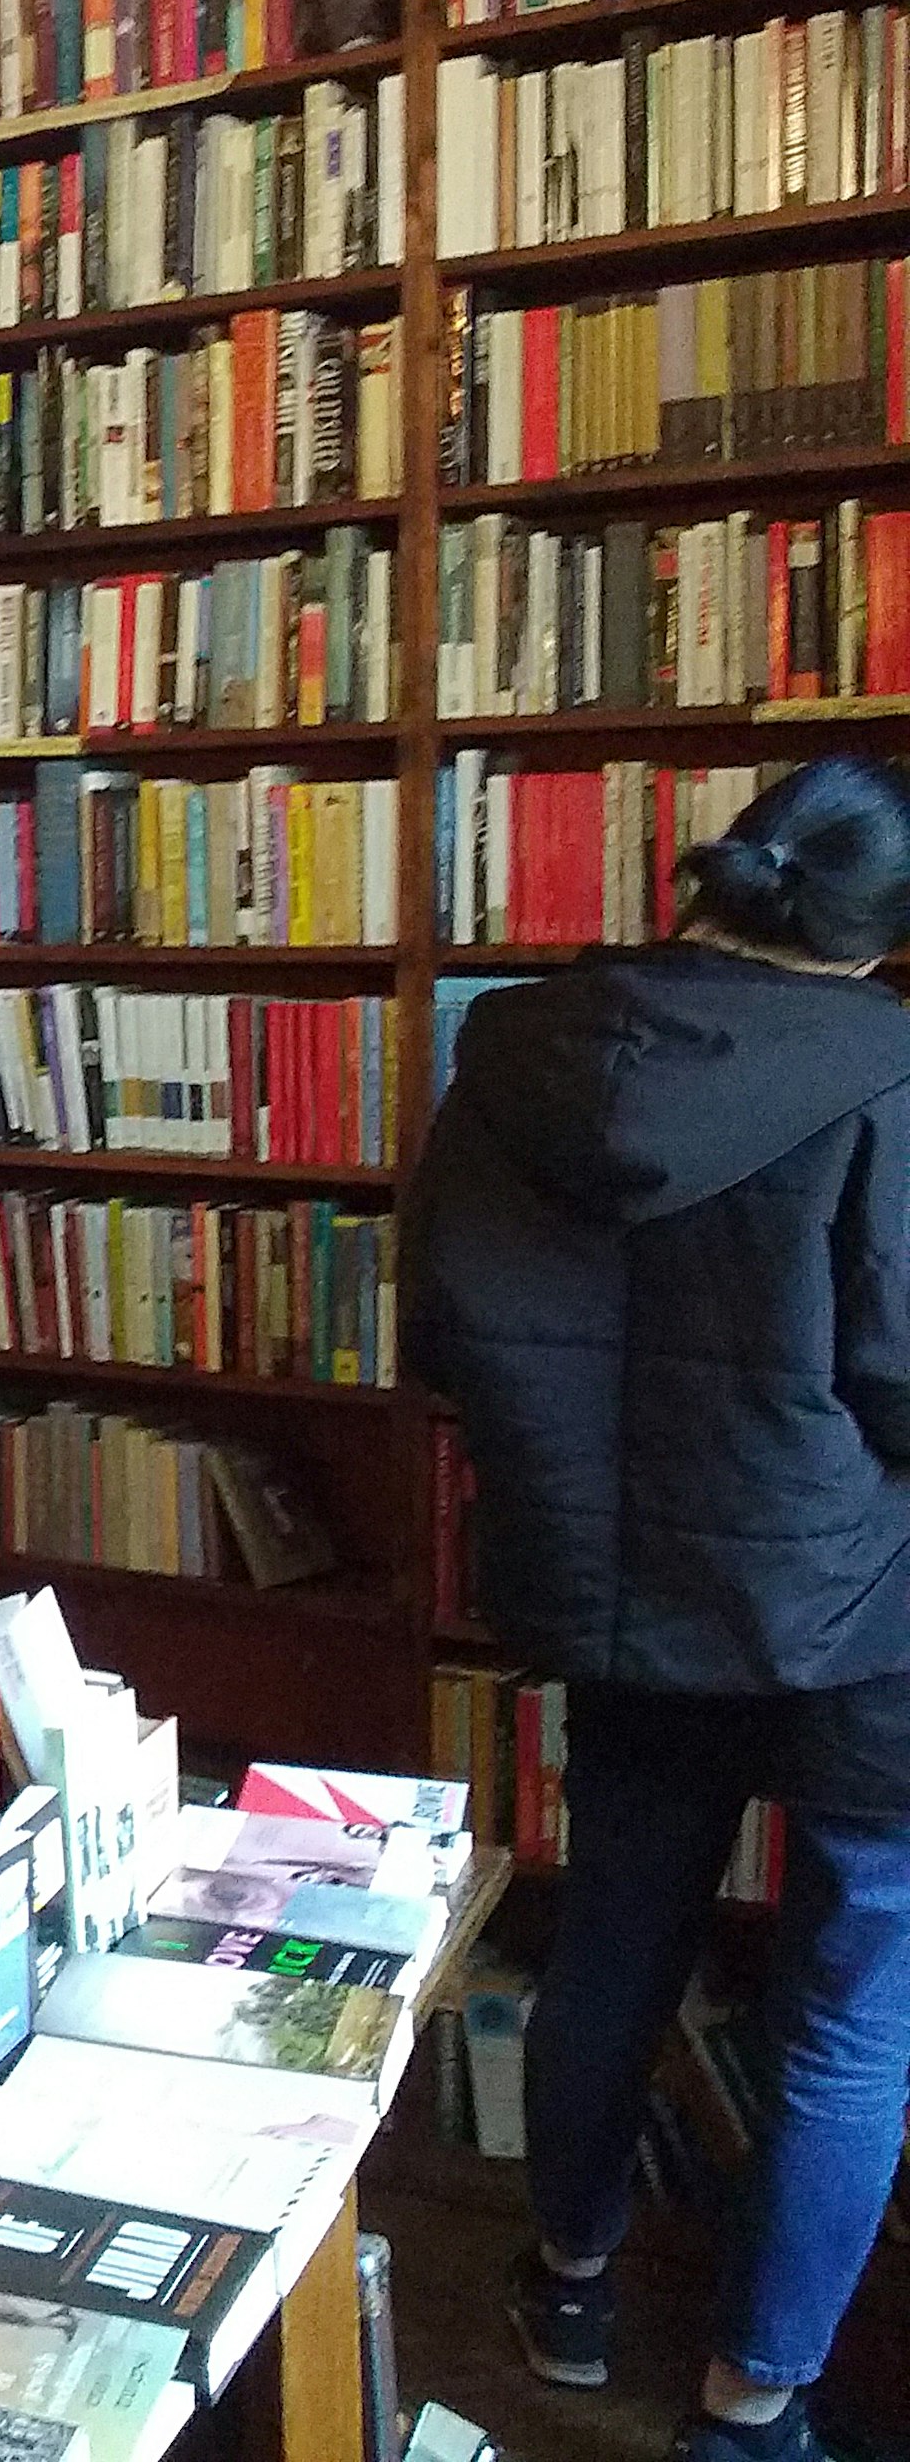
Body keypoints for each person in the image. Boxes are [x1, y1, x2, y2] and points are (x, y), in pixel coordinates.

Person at [413, 755, 910, 2462]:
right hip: (864, 1606)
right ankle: (753, 2401)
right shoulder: (892, 1071)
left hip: (618, 1588)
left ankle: (568, 2287)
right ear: (880, 931)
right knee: (854, 1987)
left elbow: (444, 1332)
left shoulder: (510, 1047)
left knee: (618, 1926)